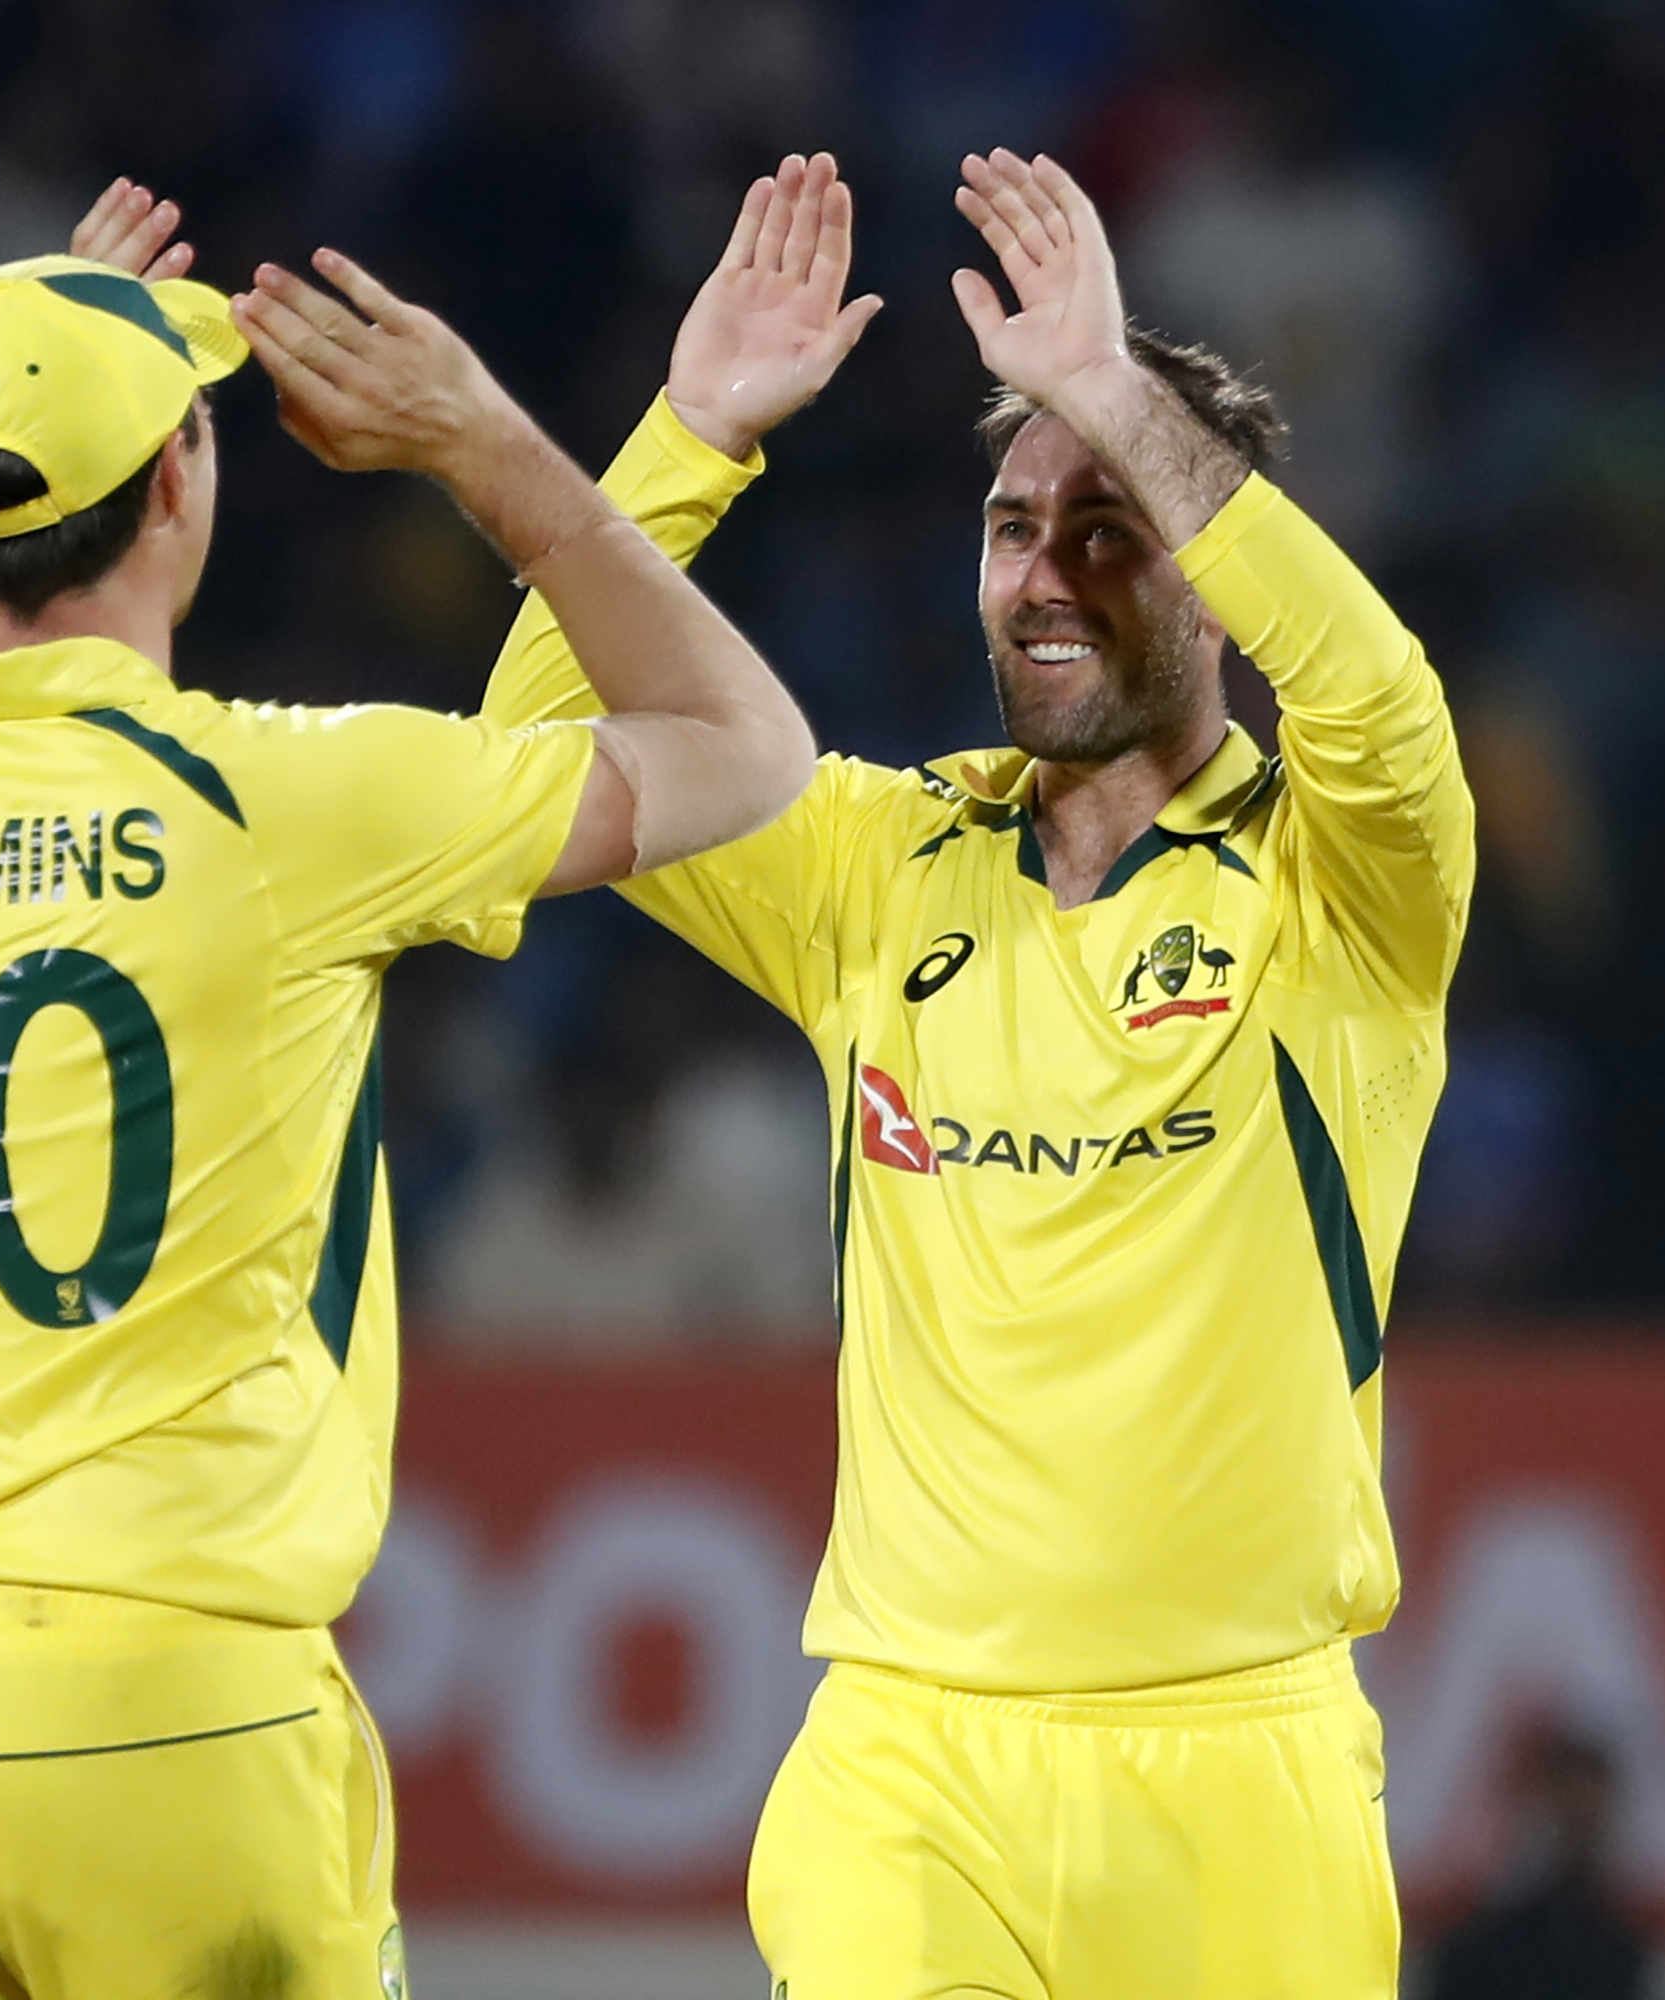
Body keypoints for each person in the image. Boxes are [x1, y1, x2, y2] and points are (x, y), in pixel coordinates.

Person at [0, 179, 815, 1997]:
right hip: (177, 1699)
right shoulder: (282, 806)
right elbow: (748, 752)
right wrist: (489, 451)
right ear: (180, 484)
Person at [483, 149, 1474, 1996]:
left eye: (1109, 523)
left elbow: (1379, 702)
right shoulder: (876, 867)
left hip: (1239, 1779)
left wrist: (1114, 390)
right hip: (907, 1760)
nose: (1045, 572)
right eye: (1016, 524)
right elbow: (526, 765)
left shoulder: (1345, 888)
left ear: (1215, 575)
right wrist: (690, 436)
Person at [1424, 1725, 1659, 2000]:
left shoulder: (1624, 1951)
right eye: (1569, 1815)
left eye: (1590, 1817)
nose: (1579, 1831)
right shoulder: (1479, 1948)